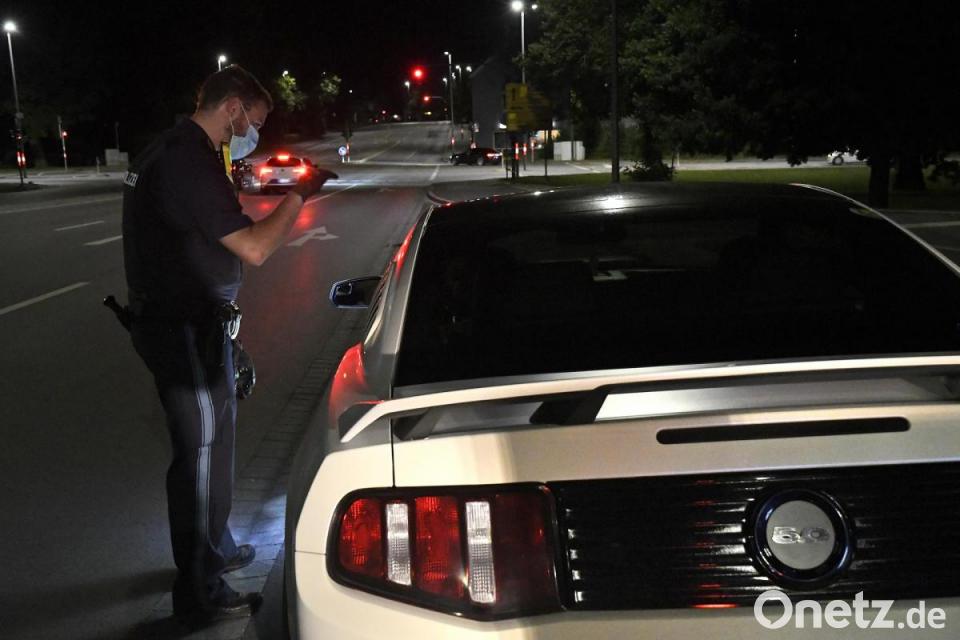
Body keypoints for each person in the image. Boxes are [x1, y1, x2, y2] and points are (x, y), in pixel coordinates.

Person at [121, 65, 337, 625]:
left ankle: (216, 547)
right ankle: (199, 594)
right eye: (253, 122)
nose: (251, 135)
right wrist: (300, 193)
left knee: (214, 449)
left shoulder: (174, 149)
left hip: (195, 324)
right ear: (234, 107)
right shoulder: (187, 158)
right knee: (198, 459)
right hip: (182, 329)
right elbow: (256, 248)